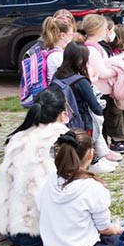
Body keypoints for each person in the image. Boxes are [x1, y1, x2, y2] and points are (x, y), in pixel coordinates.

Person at [0, 87, 71, 246]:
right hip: (37, 232)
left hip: (11, 227)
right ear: (62, 113)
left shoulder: (18, 138)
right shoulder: (61, 138)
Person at [50, 42, 115, 174]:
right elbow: (95, 107)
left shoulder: (57, 75)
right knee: (96, 123)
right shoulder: (80, 81)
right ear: (81, 60)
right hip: (81, 122)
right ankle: (92, 161)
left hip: (64, 118)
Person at [80, 14, 124, 164]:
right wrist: (118, 70)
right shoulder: (91, 50)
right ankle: (100, 153)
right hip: (98, 91)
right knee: (99, 123)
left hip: (104, 90)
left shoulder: (97, 47)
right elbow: (102, 72)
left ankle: (104, 150)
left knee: (103, 121)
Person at [42, 15, 74, 83]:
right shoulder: (57, 56)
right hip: (58, 91)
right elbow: (69, 77)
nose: (72, 37)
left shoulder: (50, 51)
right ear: (62, 35)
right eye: (71, 34)